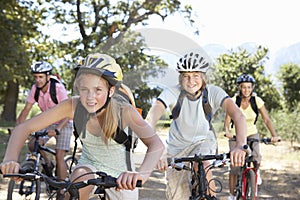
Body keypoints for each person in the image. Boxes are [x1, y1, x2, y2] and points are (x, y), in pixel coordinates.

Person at [1, 53, 164, 200]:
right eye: (85, 89)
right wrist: (10, 160)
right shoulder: (73, 106)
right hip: (88, 166)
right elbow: (24, 128)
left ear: (111, 90)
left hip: (121, 176)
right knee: (75, 185)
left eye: (98, 90)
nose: (90, 97)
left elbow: (156, 144)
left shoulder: (124, 111)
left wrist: (140, 175)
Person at [145, 51, 248, 200]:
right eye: (186, 76)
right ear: (180, 78)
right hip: (177, 149)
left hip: (204, 142)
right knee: (177, 195)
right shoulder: (172, 92)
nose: (191, 80)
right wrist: (158, 150)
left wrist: (240, 145)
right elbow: (151, 118)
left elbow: (238, 116)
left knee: (203, 163)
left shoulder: (213, 92)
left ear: (203, 77)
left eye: (196, 75)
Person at [16, 61, 73, 199]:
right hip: (48, 121)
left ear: (48, 77)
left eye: (41, 77)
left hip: (64, 121)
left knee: (60, 155)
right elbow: (25, 111)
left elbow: (69, 110)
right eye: (36, 77)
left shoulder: (58, 88)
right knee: (32, 144)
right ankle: (47, 164)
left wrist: (58, 129)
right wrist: (17, 128)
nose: (38, 80)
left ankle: (61, 190)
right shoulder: (34, 89)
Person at [224, 73, 280, 200]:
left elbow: (267, 120)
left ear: (252, 88)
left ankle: (255, 172)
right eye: (244, 87)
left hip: (252, 132)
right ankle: (232, 195)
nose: (246, 90)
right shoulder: (233, 101)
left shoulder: (257, 101)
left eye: (249, 87)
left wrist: (274, 136)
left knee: (256, 157)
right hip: (236, 134)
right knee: (235, 167)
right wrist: (227, 131)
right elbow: (227, 120)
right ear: (239, 88)